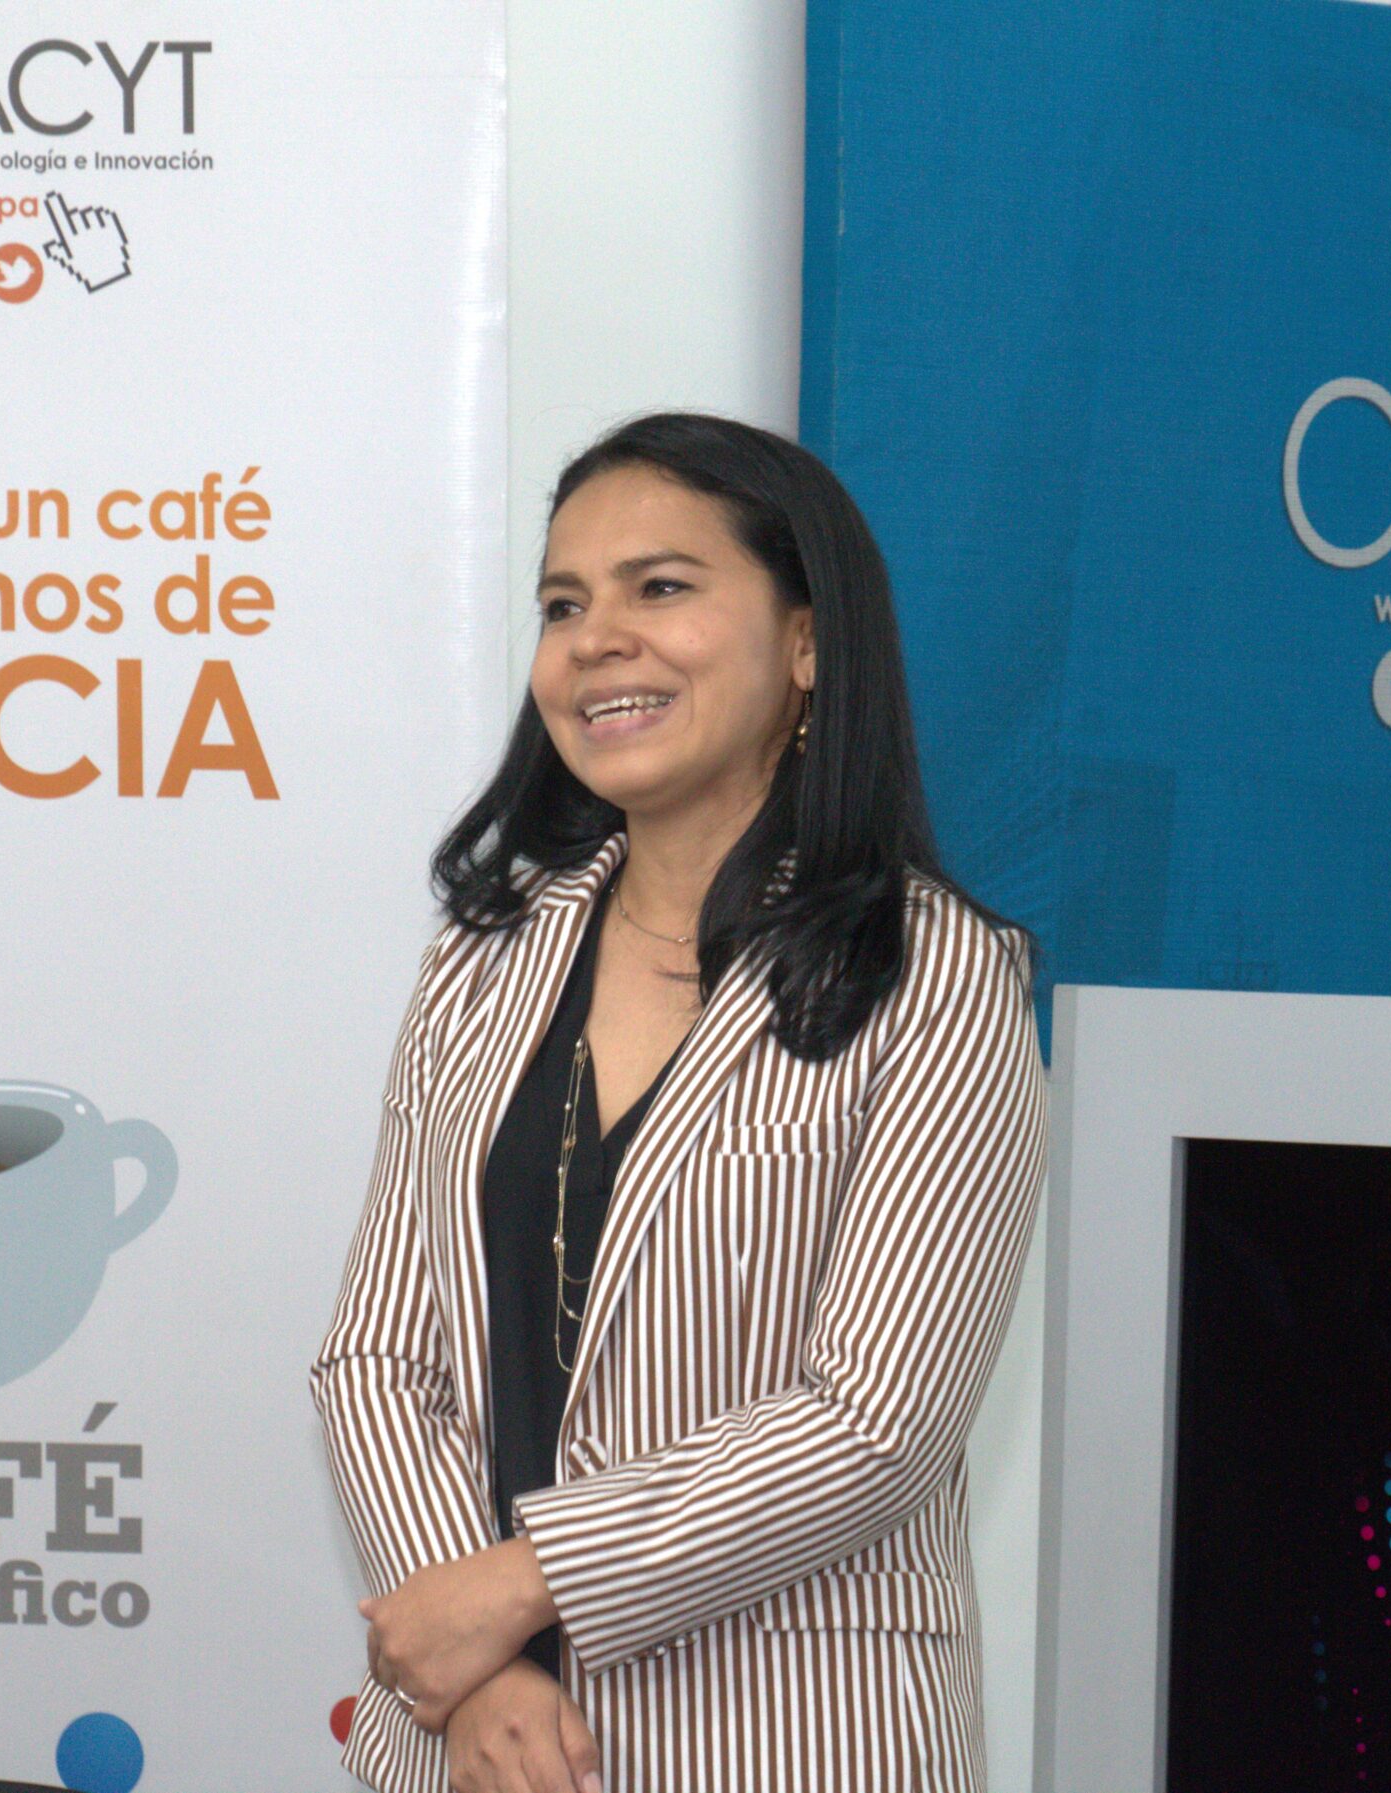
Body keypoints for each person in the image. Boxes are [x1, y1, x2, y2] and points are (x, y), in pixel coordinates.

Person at [310, 412, 1050, 1793]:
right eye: (562, 605)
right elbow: (378, 1358)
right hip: (480, 1747)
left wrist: (526, 1583)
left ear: (809, 643)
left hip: (790, 1740)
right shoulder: (483, 959)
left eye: (659, 588)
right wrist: (475, 1665)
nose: (596, 640)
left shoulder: (931, 973)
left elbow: (873, 1423)